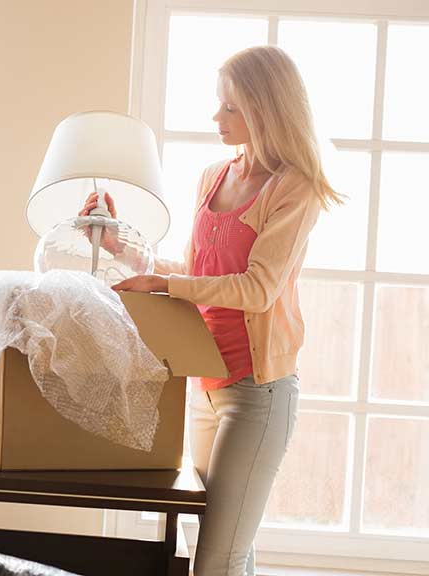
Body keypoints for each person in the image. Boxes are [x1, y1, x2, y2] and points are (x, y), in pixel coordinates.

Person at [81, 45, 344, 576]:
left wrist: (164, 282)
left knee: (214, 561)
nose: (216, 117)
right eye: (218, 104)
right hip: (205, 384)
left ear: (266, 109)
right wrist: (117, 244)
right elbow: (198, 271)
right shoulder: (212, 176)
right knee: (225, 549)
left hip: (258, 393)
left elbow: (258, 289)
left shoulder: (296, 187)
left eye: (231, 107)